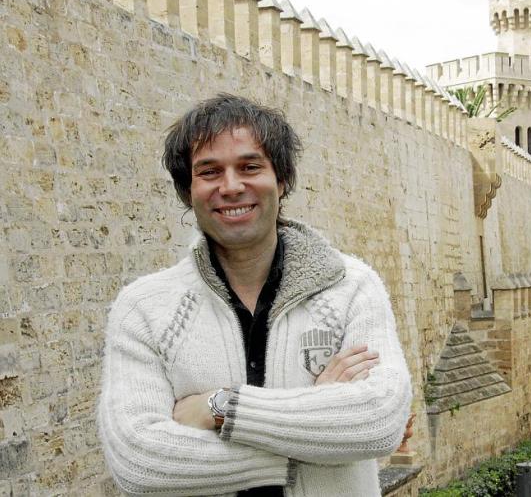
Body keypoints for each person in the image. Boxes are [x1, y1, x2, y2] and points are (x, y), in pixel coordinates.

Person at [97, 94, 413, 496]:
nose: (231, 187)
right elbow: (139, 461)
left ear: (281, 180)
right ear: (188, 191)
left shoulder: (351, 287)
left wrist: (219, 407)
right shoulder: (144, 309)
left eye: (250, 167)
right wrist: (313, 433)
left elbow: (380, 421)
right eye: (209, 172)